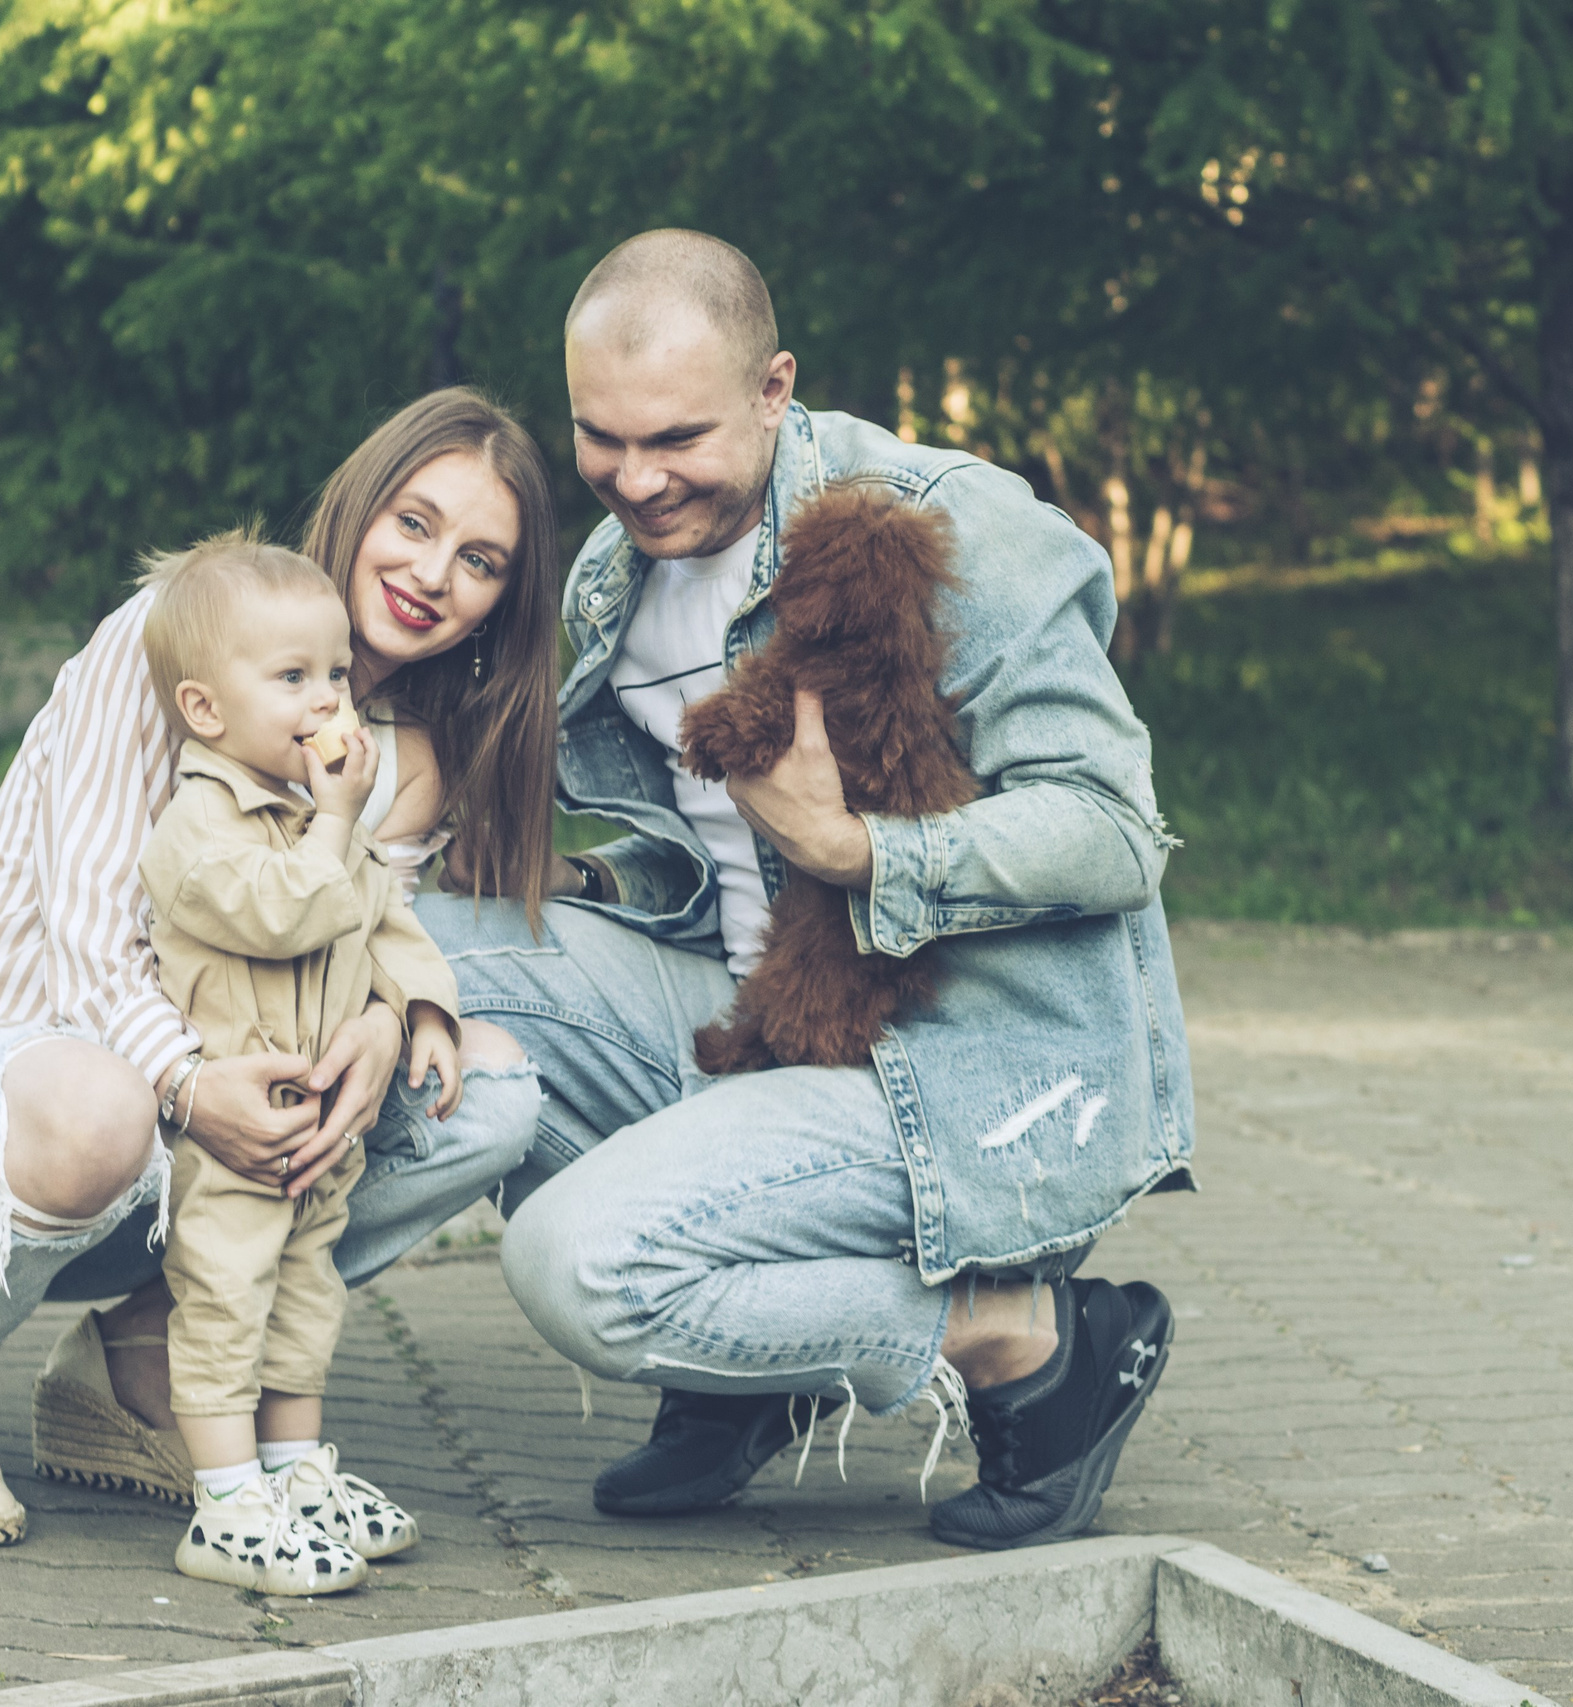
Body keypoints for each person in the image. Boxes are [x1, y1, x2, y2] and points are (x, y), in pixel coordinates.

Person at [422, 230, 1197, 1551]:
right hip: (758, 1017)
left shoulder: (944, 529)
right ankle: (751, 1364)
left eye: (677, 435)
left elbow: (1117, 828)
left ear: (776, 387)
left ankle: (1035, 1344)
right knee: (433, 950)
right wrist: (603, 876)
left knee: (576, 1265)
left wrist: (864, 853)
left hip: (953, 1066)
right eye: (599, 437)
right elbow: (730, 854)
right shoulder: (624, 567)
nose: (636, 478)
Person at [0, 388, 560, 1546]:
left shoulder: (407, 760)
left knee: (490, 1088)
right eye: (413, 523)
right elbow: (86, 942)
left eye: (481, 560)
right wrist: (190, 1087)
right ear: (359, 506)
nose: (433, 573)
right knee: (98, 1095)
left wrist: (381, 1027)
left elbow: (351, 933)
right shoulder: (176, 635)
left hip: (163, 1156)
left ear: (499, 605)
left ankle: (143, 1364)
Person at [134, 535, 457, 1593]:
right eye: (291, 680)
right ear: (205, 710)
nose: (326, 703)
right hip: (232, 1135)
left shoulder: (326, 826)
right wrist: (334, 820)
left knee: (306, 1296)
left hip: (321, 1132)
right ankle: (223, 1503)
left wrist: (428, 1015)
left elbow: (383, 922)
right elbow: (285, 916)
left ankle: (292, 1471)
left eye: (333, 676)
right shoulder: (198, 828)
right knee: (226, 1302)